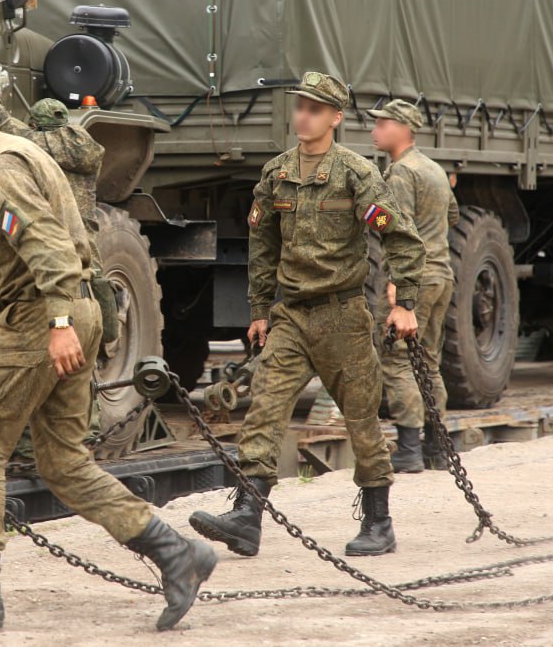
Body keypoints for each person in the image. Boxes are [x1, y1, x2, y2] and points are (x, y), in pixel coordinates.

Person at [0, 86, 215, 631]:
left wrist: (59, 323)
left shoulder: (0, 169)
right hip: (78, 309)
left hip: (41, 318)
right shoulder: (23, 152)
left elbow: (45, 242)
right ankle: (175, 552)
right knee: (64, 462)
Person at [189, 71, 425, 559]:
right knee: (265, 409)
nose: (303, 115)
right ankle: (247, 516)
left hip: (343, 317)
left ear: (335, 118)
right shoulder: (277, 173)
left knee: (361, 420)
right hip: (292, 316)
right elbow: (263, 244)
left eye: (315, 109)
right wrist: (258, 309)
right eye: (300, 107)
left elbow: (400, 236)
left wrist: (404, 305)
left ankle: (379, 522)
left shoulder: (356, 173)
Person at [0, 29, 120, 344]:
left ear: (34, 123)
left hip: (50, 234)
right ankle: (108, 337)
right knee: (93, 279)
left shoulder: (31, 141)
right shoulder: (85, 145)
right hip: (84, 237)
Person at [369, 99, 460, 472]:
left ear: (403, 129)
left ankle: (407, 449)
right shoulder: (434, 169)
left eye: (383, 123)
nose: (375, 130)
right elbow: (452, 214)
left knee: (398, 360)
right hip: (441, 275)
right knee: (429, 361)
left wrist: (397, 287)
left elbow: (398, 231)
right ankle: (437, 447)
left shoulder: (401, 173)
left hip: (414, 280)